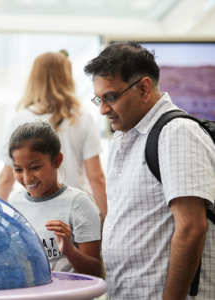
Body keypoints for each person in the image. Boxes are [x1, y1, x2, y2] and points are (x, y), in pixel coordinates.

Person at [84, 41, 215, 299]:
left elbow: (191, 228)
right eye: (98, 99)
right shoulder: (125, 137)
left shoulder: (176, 133)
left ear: (143, 88)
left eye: (110, 97)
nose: (102, 109)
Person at [0, 51, 107, 221]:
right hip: (78, 211)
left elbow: (6, 177)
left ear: (34, 78)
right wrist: (107, 218)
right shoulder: (82, 118)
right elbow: (96, 177)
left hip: (38, 212)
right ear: (67, 77)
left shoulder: (21, 119)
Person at [7, 119, 102, 276]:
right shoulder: (14, 204)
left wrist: (69, 251)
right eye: (18, 169)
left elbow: (95, 273)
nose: (27, 178)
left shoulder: (79, 203)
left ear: (57, 160)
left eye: (35, 167)